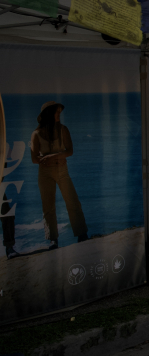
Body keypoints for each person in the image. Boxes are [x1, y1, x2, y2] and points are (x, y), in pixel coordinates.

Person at [31, 101, 89, 250]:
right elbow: (33, 159)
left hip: (62, 171)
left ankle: (82, 234)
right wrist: (45, 160)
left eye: (59, 112)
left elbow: (70, 151)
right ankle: (53, 240)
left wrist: (51, 157)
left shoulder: (63, 129)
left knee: (72, 202)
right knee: (48, 206)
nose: (59, 115)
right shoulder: (36, 134)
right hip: (44, 173)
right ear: (49, 114)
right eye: (56, 112)